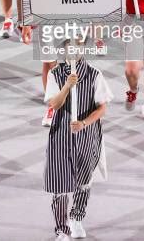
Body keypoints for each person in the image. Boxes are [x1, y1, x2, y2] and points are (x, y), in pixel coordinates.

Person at [44, 40, 112, 240]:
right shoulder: (54, 74)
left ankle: (76, 218)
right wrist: (67, 85)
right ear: (64, 51)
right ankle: (61, 229)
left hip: (87, 136)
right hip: (61, 137)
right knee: (60, 185)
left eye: (77, 48)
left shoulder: (95, 74)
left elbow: (102, 108)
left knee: (84, 182)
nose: (73, 52)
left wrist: (83, 123)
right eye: (69, 49)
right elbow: (54, 105)